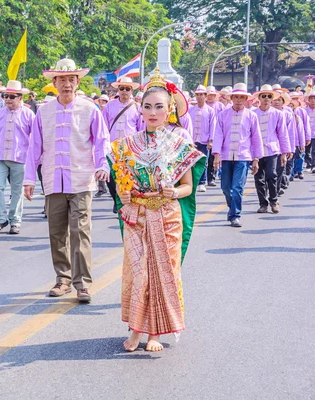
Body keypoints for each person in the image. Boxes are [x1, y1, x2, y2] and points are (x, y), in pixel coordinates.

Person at [112, 69, 206, 352]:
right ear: (140, 110)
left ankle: (155, 333)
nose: (153, 112)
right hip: (137, 216)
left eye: (159, 107)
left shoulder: (180, 145)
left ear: (170, 111)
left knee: (163, 273)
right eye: (148, 107)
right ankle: (136, 330)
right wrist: (124, 193)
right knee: (139, 273)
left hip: (166, 216)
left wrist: (173, 192)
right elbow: (121, 185)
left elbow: (187, 187)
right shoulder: (127, 146)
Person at [24, 58, 110, 303]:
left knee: (80, 231)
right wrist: (29, 179)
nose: (67, 84)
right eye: (62, 79)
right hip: (53, 178)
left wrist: (103, 165)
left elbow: (101, 141)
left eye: (71, 79)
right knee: (57, 232)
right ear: (54, 82)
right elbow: (34, 147)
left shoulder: (90, 109)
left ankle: (82, 283)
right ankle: (62, 279)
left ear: (77, 81)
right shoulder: (44, 111)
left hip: (81, 178)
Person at [213, 83, 263, 227]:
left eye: (242, 97)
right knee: (225, 188)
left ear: (246, 99)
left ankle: (235, 215)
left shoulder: (251, 116)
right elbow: (218, 135)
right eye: (236, 97)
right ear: (232, 98)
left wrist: (256, 158)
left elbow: (256, 138)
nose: (239, 100)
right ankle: (232, 207)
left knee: (237, 188)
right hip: (226, 156)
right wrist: (216, 155)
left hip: (243, 156)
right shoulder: (223, 115)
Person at [0, 80, 34, 235]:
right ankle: (0, 219)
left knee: (17, 192)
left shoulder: (28, 114)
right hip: (0, 157)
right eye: (5, 96)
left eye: (11, 96)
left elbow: (35, 138)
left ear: (20, 98)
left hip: (20, 158)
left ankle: (15, 221)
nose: (7, 99)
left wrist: (33, 161)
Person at [101, 76, 143, 210]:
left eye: (127, 89)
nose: (124, 91)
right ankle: (115, 198)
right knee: (111, 177)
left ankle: (126, 200)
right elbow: (103, 127)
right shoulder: (109, 106)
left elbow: (140, 129)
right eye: (122, 88)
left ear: (132, 91)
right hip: (112, 147)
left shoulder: (137, 107)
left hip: (130, 148)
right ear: (118, 90)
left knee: (129, 175)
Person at [252, 85, 291, 214]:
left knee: (272, 175)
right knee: (259, 178)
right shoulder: (253, 114)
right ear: (259, 98)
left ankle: (274, 201)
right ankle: (263, 204)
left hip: (272, 150)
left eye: (269, 96)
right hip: (257, 151)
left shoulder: (278, 114)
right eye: (264, 96)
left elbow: (283, 134)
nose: (267, 99)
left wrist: (284, 153)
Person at [189, 85, 217, 192]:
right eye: (197, 95)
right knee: (192, 162)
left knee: (203, 162)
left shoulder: (210, 111)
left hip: (204, 140)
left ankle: (202, 182)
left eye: (202, 95)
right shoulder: (191, 110)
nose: (199, 97)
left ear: (205, 96)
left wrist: (211, 140)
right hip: (193, 140)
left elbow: (213, 125)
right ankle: (194, 182)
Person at [301, 88, 315, 173]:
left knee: (314, 150)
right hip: (306, 134)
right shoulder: (304, 110)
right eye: (311, 99)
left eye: (314, 99)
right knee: (306, 150)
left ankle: (313, 165)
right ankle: (308, 163)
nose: (313, 101)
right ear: (308, 100)